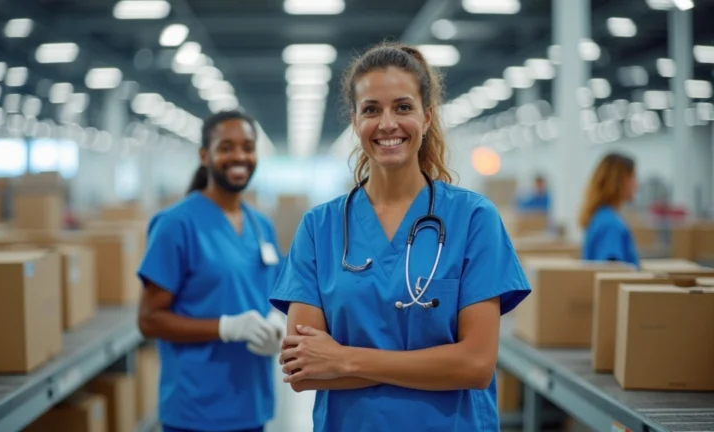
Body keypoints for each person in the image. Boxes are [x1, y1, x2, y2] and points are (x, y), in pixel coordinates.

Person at [268, 42, 532, 431]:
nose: (387, 123)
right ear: (355, 120)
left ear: (427, 117)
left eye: (403, 107)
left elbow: (475, 365)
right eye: (371, 109)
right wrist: (433, 364)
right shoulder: (319, 228)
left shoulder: (474, 219)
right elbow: (303, 370)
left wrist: (343, 360)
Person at [137, 110, 285, 432]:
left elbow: (275, 294)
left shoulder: (262, 226)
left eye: (248, 147)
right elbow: (149, 320)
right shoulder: (176, 225)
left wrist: (278, 323)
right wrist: (226, 327)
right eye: (226, 147)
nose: (239, 156)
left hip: (252, 403)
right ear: (205, 156)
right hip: (197, 408)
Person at [579, 152, 640, 267]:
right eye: (632, 177)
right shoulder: (611, 224)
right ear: (620, 181)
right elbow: (611, 273)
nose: (637, 184)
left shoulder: (602, 216)